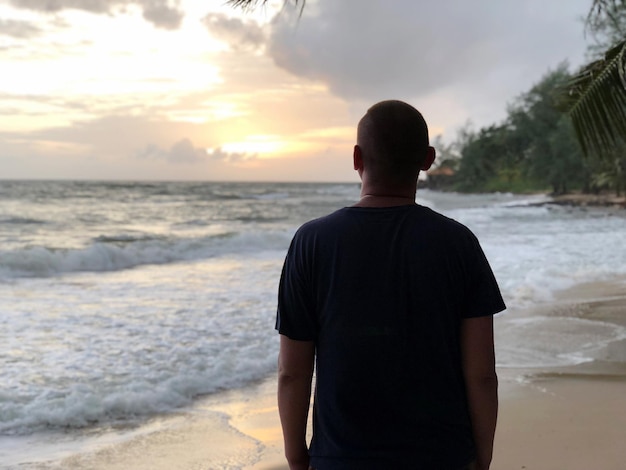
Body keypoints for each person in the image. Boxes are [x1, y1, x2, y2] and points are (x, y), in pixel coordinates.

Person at [276, 100, 505, 470]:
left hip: (340, 459)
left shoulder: (312, 242)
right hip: (441, 457)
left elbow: (293, 372)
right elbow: (481, 374)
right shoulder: (458, 243)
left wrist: (297, 457)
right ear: (428, 159)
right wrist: (482, 458)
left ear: (356, 158)